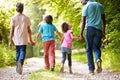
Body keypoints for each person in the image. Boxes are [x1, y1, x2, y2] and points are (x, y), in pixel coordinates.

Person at [79, 0, 106, 75]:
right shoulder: (100, 5)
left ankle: (91, 70)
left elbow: (83, 21)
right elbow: (104, 21)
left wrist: (81, 34)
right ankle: (98, 59)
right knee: (96, 48)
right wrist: (103, 32)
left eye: (82, 0)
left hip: (89, 29)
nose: (81, 1)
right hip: (99, 30)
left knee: (89, 49)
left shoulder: (86, 7)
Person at [9, 2, 34, 75]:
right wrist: (30, 40)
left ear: (16, 9)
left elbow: (12, 30)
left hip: (16, 38)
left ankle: (17, 68)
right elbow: (29, 30)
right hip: (24, 38)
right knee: (23, 51)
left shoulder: (13, 18)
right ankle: (20, 62)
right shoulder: (26, 18)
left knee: (17, 52)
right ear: (23, 9)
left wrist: (10, 41)